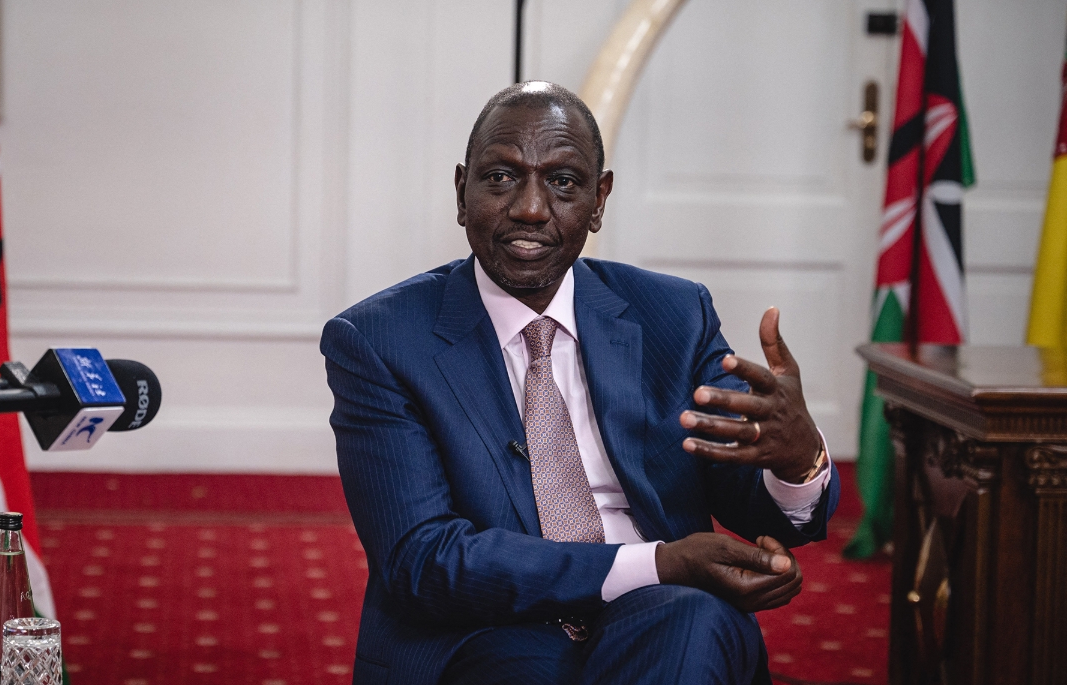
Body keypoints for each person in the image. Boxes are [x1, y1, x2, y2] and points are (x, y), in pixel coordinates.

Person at [320, 81, 840, 685]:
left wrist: (798, 463)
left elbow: (759, 509)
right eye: (501, 178)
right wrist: (660, 562)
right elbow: (424, 563)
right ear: (461, 192)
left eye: (564, 182)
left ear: (599, 200)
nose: (531, 209)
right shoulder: (380, 340)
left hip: (660, 609)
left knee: (696, 622)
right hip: (480, 629)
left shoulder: (672, 314)